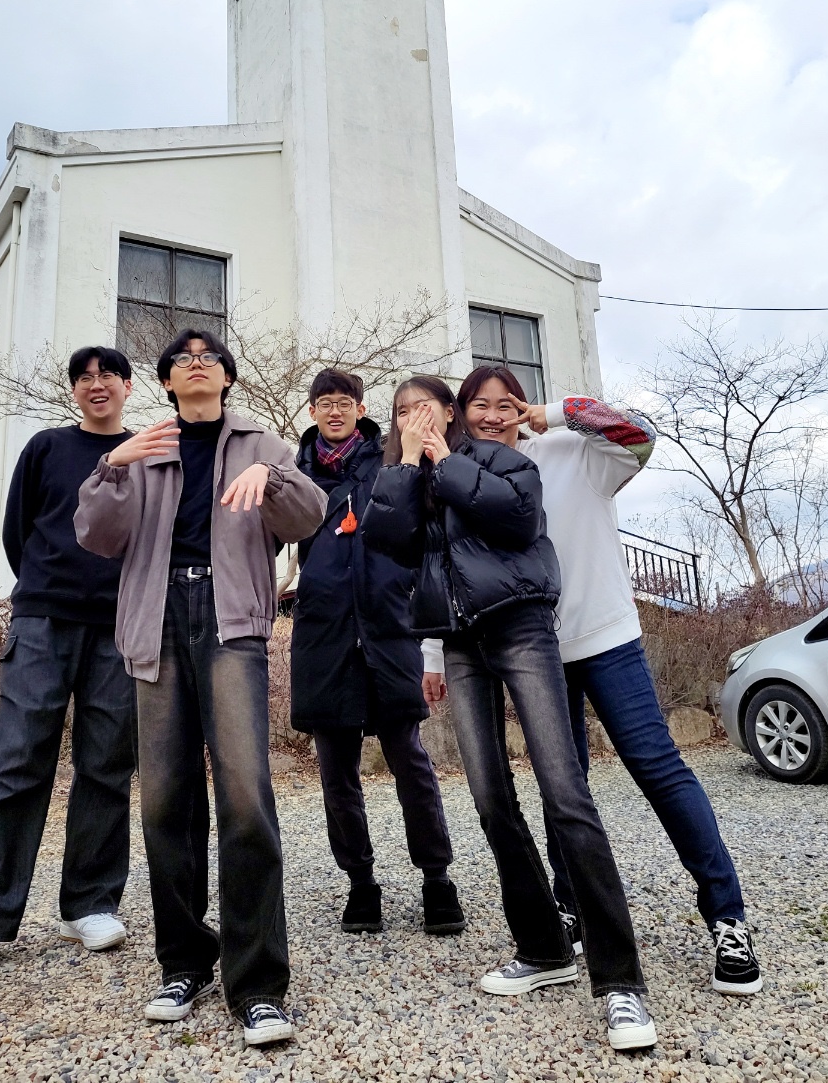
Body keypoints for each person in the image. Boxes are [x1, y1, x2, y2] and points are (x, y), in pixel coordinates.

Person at [362, 376, 658, 1053]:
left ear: (451, 413)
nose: (414, 419)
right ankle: (543, 946)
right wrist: (407, 465)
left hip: (523, 627)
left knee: (565, 791)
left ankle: (620, 981)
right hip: (459, 642)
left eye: (425, 408)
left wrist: (446, 460)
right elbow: (386, 540)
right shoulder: (407, 478)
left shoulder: (500, 457)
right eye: (402, 413)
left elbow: (518, 518)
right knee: (491, 797)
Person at [446, 365, 762, 997]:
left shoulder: (574, 451)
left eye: (505, 403)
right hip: (533, 652)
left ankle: (727, 917)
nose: (493, 415)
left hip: (606, 635)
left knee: (658, 766)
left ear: (522, 406)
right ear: (461, 414)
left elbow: (639, 434)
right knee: (565, 788)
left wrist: (556, 413)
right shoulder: (463, 477)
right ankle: (574, 912)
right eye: (479, 405)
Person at [74, 328, 326, 1047]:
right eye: (181, 360)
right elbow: (97, 536)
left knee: (244, 796)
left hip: (230, 618)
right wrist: (113, 465)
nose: (195, 364)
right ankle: (184, 961)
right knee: (164, 800)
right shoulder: (146, 446)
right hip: (155, 620)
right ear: (165, 381)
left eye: (207, 357)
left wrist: (271, 479)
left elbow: (309, 516)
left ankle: (259, 984)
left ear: (227, 376)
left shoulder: (260, 442)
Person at [0, 346, 138, 979]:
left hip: (119, 628)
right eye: (84, 377)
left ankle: (90, 904)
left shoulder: (144, 452)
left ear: (128, 387)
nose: (96, 384)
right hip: (43, 621)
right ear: (74, 391)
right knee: (17, 760)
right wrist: (49, 585)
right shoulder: (47, 447)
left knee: (106, 765)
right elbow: (17, 532)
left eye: (108, 375)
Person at [291, 369, 464, 936]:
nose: (334, 411)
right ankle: (361, 883)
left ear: (361, 408)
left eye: (344, 402)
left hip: (388, 626)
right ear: (312, 411)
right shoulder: (298, 472)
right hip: (323, 632)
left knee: (409, 758)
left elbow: (420, 526)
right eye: (324, 403)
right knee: (336, 770)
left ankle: (437, 878)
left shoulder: (389, 456)